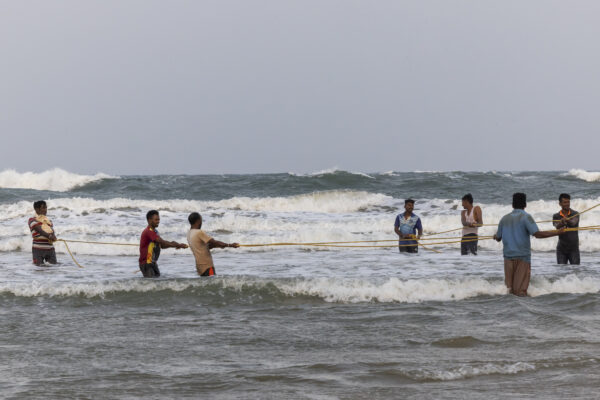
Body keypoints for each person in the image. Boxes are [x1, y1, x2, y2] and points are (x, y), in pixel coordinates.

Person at [493, 193, 565, 296]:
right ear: (525, 204)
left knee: (509, 290)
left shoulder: (504, 219)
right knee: (521, 291)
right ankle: (521, 311)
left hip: (507, 258)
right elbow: (537, 234)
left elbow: (498, 237)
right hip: (522, 258)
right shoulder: (526, 217)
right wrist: (557, 232)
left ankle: (509, 311)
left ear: (512, 205)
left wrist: (494, 236)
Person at [139, 210, 188, 278]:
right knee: (151, 283)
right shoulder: (148, 231)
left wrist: (176, 244)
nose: (158, 221)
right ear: (149, 220)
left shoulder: (155, 232)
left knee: (157, 282)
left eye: (159, 219)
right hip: (146, 263)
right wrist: (178, 245)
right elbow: (162, 241)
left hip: (153, 262)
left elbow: (162, 245)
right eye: (156, 219)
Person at [552, 193, 580, 265]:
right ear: (560, 204)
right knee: (561, 272)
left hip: (574, 249)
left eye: (568, 202)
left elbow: (573, 223)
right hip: (561, 249)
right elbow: (557, 226)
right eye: (565, 202)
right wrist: (562, 222)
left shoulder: (575, 214)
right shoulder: (556, 216)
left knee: (575, 271)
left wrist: (567, 220)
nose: (567, 204)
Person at [28, 200, 58, 266]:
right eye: (43, 208)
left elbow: (52, 232)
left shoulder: (49, 221)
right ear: (37, 209)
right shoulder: (32, 220)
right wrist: (50, 236)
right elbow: (40, 230)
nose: (45, 210)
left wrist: (53, 236)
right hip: (38, 249)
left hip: (50, 249)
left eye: (46, 207)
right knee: (38, 270)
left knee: (53, 268)